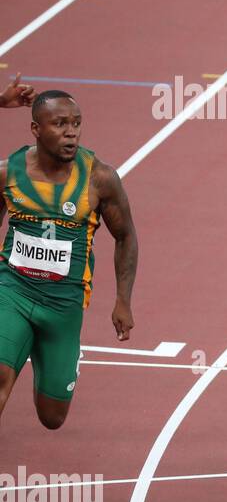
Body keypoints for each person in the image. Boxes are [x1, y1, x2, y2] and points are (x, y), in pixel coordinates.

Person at [1, 89, 138, 432]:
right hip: (12, 291)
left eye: (76, 124)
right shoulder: (7, 174)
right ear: (35, 129)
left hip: (64, 305)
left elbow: (125, 237)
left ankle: (59, 359)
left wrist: (123, 300)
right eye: (60, 124)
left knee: (52, 417)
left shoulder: (100, 178)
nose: (71, 132)